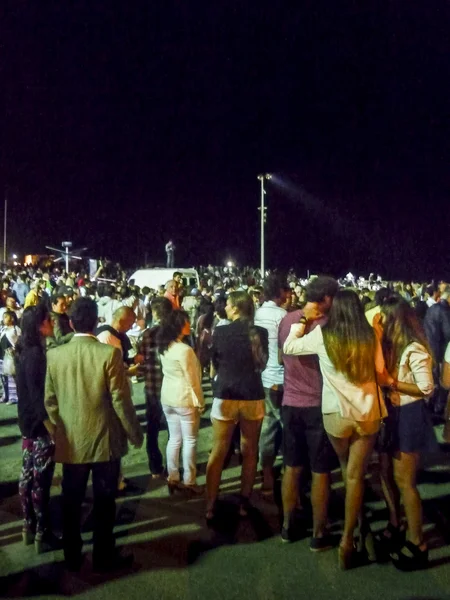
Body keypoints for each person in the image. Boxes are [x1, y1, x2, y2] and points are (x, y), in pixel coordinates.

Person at [283, 289, 389, 569]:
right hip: (366, 413)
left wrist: (302, 322)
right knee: (355, 476)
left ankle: (356, 527)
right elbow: (379, 372)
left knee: (346, 470)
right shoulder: (369, 336)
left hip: (335, 414)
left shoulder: (322, 335)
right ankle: (348, 539)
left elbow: (289, 348)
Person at [44, 298, 143, 573]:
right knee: (104, 500)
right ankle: (103, 555)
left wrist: (61, 430)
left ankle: (72, 555)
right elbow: (121, 402)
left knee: (72, 500)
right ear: (95, 320)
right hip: (104, 440)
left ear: (72, 322)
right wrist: (135, 434)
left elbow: (50, 402)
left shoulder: (55, 355)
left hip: (71, 441)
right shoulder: (108, 355)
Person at [278, 276, 339, 549]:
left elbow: (281, 357)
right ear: (326, 298)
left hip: (290, 403)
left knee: (291, 467)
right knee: (320, 471)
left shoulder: (286, 320)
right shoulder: (328, 325)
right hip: (318, 405)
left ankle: (288, 526)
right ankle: (318, 531)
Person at [378, 297, 436, 571]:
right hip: (394, 414)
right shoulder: (391, 347)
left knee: (406, 481)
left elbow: (426, 388)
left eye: (386, 318)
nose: (383, 323)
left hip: (410, 416)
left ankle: (418, 543)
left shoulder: (414, 348)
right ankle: (396, 523)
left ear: (397, 320)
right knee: (387, 472)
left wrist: (391, 383)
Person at [206, 291, 268, 520]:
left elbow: (214, 362)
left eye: (228, 305)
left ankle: (210, 504)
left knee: (219, 450)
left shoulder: (220, 331)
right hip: (252, 393)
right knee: (250, 450)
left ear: (234, 308)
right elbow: (263, 363)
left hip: (226, 393)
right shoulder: (259, 333)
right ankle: (244, 501)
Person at [16, 305, 56, 553]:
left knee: (28, 476)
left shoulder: (24, 350)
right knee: (40, 480)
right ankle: (42, 531)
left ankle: (27, 527)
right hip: (38, 426)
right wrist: (50, 426)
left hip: (26, 424)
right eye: (48, 320)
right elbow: (36, 396)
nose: (52, 323)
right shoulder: (35, 354)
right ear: (39, 325)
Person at [157, 310, 204, 493]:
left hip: (168, 397)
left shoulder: (164, 347)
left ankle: (172, 476)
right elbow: (193, 379)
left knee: (174, 439)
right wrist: (200, 401)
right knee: (190, 440)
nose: (188, 325)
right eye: (185, 322)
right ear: (178, 326)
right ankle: (189, 479)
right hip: (184, 399)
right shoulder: (184, 350)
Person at [254, 273, 287, 494]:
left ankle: (266, 475)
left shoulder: (256, 314)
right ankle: (288, 473)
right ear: (280, 292)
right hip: (280, 379)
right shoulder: (283, 316)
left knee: (267, 428)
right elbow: (285, 351)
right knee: (287, 428)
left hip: (262, 378)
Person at [139, 297, 173, 478]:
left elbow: (142, 357)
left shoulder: (147, 334)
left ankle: (154, 467)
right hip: (171, 387)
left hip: (152, 387)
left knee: (152, 429)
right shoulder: (175, 334)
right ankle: (171, 467)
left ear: (154, 313)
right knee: (172, 431)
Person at [0, 310, 21, 404]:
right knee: (4, 377)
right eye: (3, 317)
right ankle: (6, 395)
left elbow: (19, 341)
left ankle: (14, 397)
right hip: (2, 356)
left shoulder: (16, 329)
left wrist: (14, 349)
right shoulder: (3, 329)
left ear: (12, 318)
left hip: (12, 356)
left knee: (12, 376)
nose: (4, 319)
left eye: (6, 317)